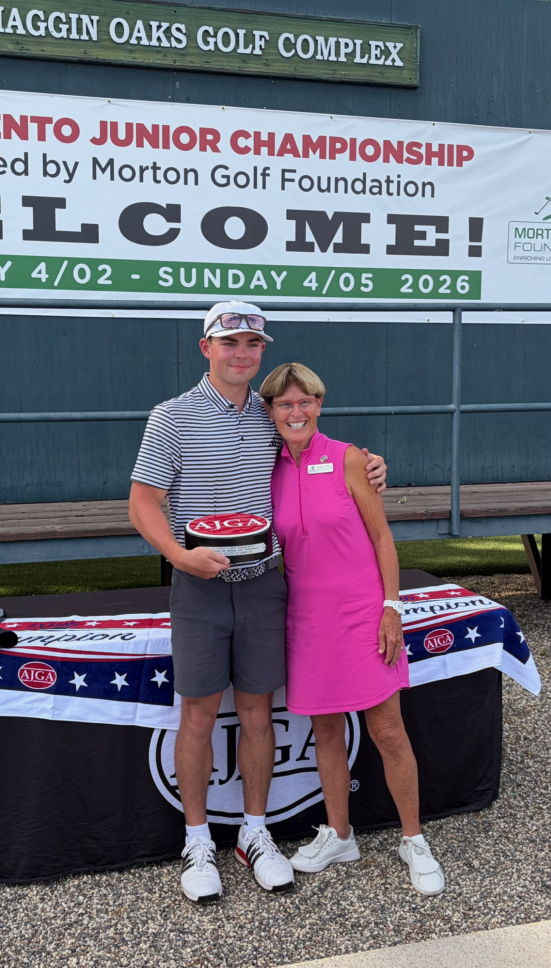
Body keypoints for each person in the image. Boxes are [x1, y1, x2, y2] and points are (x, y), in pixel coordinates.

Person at [128, 301, 388, 903]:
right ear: (206, 348)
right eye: (230, 342)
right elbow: (143, 501)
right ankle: (196, 839)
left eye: (252, 344)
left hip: (267, 582)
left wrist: (371, 465)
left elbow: (319, 449)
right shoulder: (172, 417)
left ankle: (254, 831)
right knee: (196, 714)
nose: (242, 353)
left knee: (255, 713)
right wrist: (178, 554)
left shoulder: (274, 418)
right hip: (200, 584)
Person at [260, 361, 445, 897]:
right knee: (325, 732)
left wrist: (392, 607)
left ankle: (413, 839)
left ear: (319, 405)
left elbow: (383, 538)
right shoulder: (266, 466)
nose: (296, 412)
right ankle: (340, 833)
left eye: (305, 402)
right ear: (270, 411)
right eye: (284, 404)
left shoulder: (349, 459)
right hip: (306, 619)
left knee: (388, 731)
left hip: (363, 613)